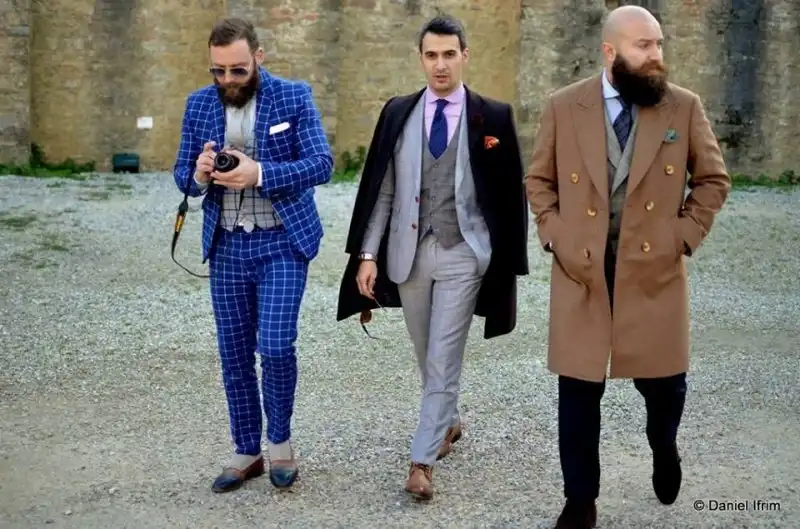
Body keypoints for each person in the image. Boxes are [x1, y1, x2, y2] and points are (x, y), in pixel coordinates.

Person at [525, 5, 731, 528]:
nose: (657, 55)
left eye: (659, 43)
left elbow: (713, 180)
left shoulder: (683, 107)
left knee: (665, 388)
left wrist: (681, 237)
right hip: (582, 272)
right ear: (610, 52)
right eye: (644, 46)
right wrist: (555, 234)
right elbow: (539, 181)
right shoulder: (564, 105)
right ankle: (580, 500)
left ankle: (663, 445)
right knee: (578, 391)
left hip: (653, 272)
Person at [336, 14, 529, 501]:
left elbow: (511, 193)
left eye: (449, 54)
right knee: (426, 352)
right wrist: (367, 254)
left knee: (443, 355)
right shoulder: (398, 113)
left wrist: (504, 257)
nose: (440, 65)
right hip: (408, 254)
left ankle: (421, 461)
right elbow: (382, 191)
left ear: (465, 56)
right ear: (420, 59)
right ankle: (448, 420)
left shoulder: (494, 116)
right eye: (431, 55)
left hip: (464, 252)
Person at [172, 17, 333, 493]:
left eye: (238, 70)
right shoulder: (198, 104)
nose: (227, 80)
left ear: (258, 58)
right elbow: (182, 177)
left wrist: (259, 173)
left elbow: (321, 164)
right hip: (226, 245)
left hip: (281, 240)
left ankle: (279, 442)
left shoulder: (293, 96)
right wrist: (199, 174)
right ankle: (247, 451)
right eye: (218, 70)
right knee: (234, 352)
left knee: (277, 345)